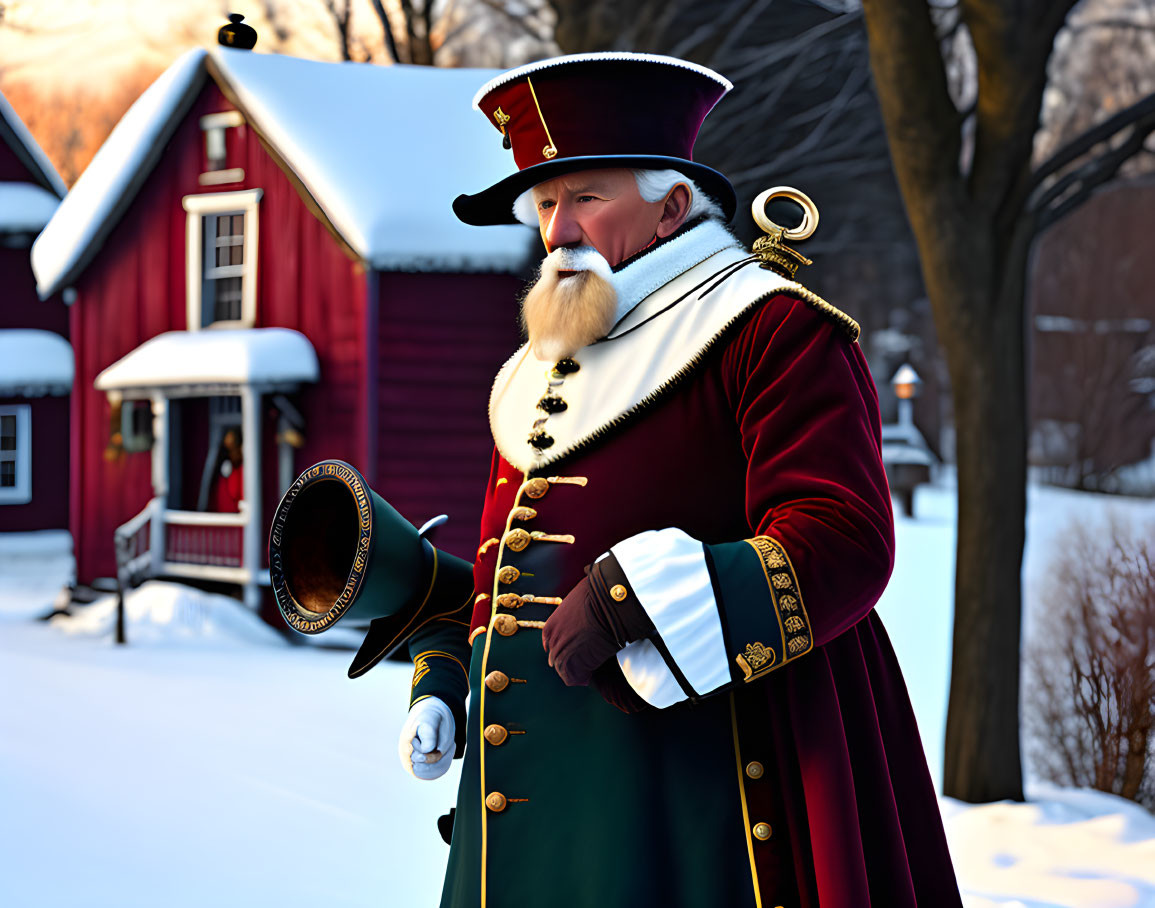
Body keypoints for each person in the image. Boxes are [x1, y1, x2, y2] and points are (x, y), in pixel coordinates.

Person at [397, 53, 962, 907]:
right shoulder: (537, 368)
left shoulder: (767, 329)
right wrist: (445, 675)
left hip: (694, 797)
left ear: (670, 205)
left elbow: (843, 539)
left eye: (587, 197)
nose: (558, 232)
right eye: (545, 204)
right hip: (530, 803)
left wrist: (629, 599)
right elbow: (499, 570)